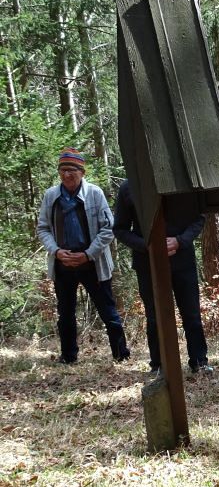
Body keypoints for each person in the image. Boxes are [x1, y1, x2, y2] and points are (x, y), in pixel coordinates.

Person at [37, 148, 130, 364]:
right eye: (63, 170)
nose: (67, 174)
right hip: (63, 264)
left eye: (72, 170)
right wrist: (56, 251)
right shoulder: (51, 196)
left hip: (93, 264)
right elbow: (43, 228)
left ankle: (121, 355)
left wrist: (88, 254)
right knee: (65, 314)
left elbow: (109, 228)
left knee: (108, 312)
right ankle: (68, 357)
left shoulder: (94, 194)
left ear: (82, 172)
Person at [113, 180, 212, 374]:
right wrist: (148, 245)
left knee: (191, 314)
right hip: (147, 263)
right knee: (154, 316)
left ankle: (199, 361)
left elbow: (199, 218)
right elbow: (120, 229)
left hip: (183, 260)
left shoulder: (183, 182)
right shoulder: (129, 187)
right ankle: (159, 365)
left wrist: (180, 241)